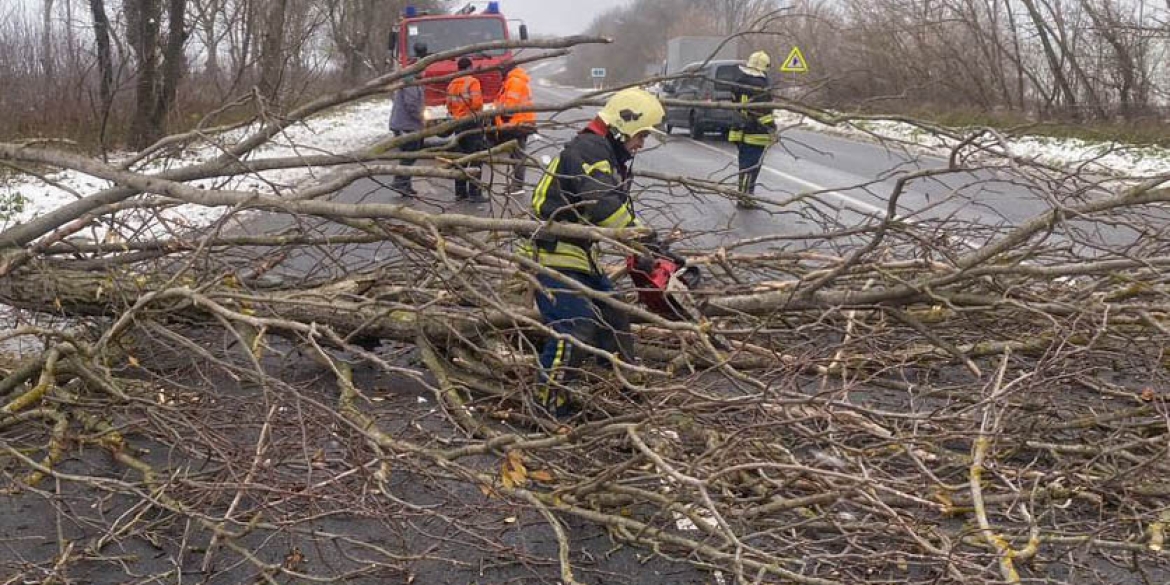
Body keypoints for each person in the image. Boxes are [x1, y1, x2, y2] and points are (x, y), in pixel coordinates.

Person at [521, 87, 665, 417]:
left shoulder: (603, 151)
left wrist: (651, 244)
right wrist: (645, 242)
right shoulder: (589, 150)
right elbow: (606, 208)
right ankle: (545, 405)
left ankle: (615, 387)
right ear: (624, 124)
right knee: (575, 325)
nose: (641, 144)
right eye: (640, 135)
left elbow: (613, 210)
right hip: (552, 253)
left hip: (579, 253)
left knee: (614, 314)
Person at [727, 51, 776, 209]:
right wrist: (772, 129)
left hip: (739, 130)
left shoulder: (739, 82)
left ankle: (744, 195)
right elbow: (763, 112)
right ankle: (745, 198)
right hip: (755, 133)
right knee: (751, 168)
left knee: (744, 166)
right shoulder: (761, 86)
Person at [388, 42, 429, 196]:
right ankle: (400, 182)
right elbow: (412, 104)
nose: (425, 74)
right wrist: (421, 118)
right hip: (407, 125)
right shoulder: (411, 84)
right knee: (409, 155)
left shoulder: (411, 82)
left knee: (410, 154)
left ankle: (404, 183)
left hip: (405, 124)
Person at [446, 56, 487, 202]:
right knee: (476, 157)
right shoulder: (473, 82)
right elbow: (476, 103)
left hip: (458, 123)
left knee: (461, 157)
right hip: (471, 122)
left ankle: (460, 191)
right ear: (469, 67)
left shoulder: (452, 83)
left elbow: (449, 106)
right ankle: (475, 193)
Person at [493, 66, 536, 194]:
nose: (499, 76)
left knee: (517, 156)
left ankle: (518, 185)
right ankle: (516, 183)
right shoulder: (512, 81)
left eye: (500, 74)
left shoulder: (514, 82)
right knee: (515, 155)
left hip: (517, 124)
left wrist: (503, 120)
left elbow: (509, 107)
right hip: (518, 123)